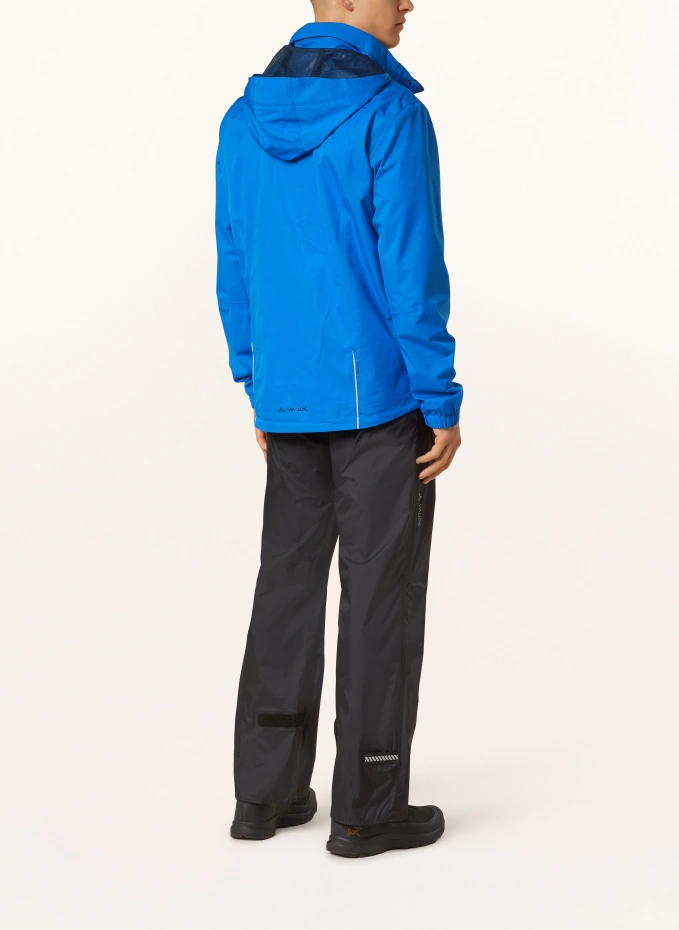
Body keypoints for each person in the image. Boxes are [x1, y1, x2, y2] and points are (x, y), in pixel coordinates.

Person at [215, 0, 462, 858]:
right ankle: (368, 806)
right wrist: (439, 399)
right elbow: (411, 268)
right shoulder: (390, 114)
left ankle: (264, 795)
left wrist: (257, 376)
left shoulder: (242, 118)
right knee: (378, 596)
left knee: (284, 588)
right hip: (380, 405)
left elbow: (234, 255)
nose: (409, 3)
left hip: (287, 398)